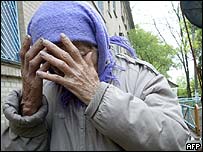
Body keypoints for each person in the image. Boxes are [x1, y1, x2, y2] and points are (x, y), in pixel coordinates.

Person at [1, 1, 190, 151]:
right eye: (53, 58)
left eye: (79, 54)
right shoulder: (44, 91)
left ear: (99, 45)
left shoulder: (140, 77)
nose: (65, 68)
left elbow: (178, 143)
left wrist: (97, 95)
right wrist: (29, 109)